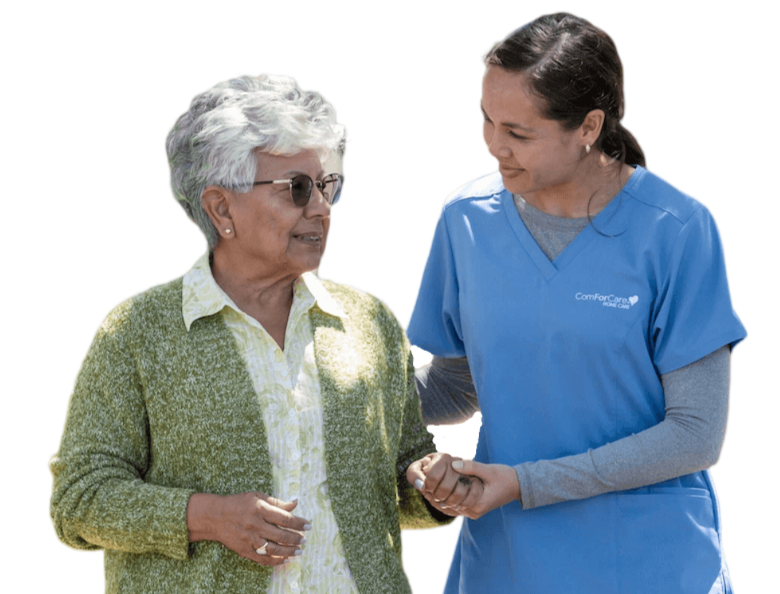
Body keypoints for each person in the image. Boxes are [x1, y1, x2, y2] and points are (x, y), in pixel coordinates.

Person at [46, 72, 478, 594]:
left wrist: (433, 485)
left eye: (327, 186)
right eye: (297, 188)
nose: (320, 208)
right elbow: (79, 501)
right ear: (221, 208)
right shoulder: (137, 333)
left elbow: (400, 472)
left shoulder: (369, 321)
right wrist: (206, 517)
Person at [403, 12, 747, 594]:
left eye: (519, 133)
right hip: (508, 563)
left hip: (650, 566)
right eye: (485, 119)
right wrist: (336, 396)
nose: (494, 146)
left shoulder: (677, 228)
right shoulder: (465, 219)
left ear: (589, 126)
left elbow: (696, 432)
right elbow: (457, 388)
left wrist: (527, 483)